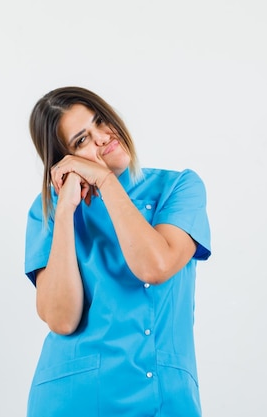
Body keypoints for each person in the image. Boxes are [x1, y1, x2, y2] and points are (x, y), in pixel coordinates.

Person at [24, 86, 211, 417]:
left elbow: (156, 265)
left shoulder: (179, 187)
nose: (102, 137)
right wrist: (66, 210)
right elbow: (61, 319)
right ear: (65, 160)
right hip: (73, 400)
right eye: (82, 140)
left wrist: (106, 182)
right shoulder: (50, 210)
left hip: (165, 397)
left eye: (100, 121)